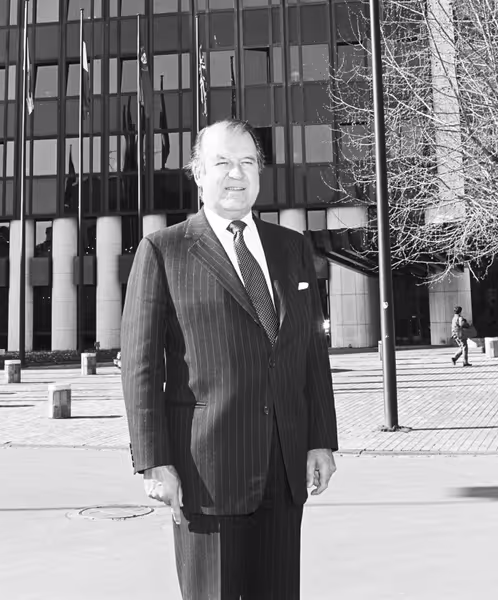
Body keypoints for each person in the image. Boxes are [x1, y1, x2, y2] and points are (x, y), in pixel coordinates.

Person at [121, 119, 338, 600]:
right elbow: (140, 366)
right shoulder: (164, 249)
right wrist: (154, 462)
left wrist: (320, 440)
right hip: (205, 476)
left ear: (259, 173)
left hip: (283, 473)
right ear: (198, 174)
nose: (235, 174)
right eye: (221, 162)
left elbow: (309, 353)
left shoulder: (292, 247)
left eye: (246, 162)